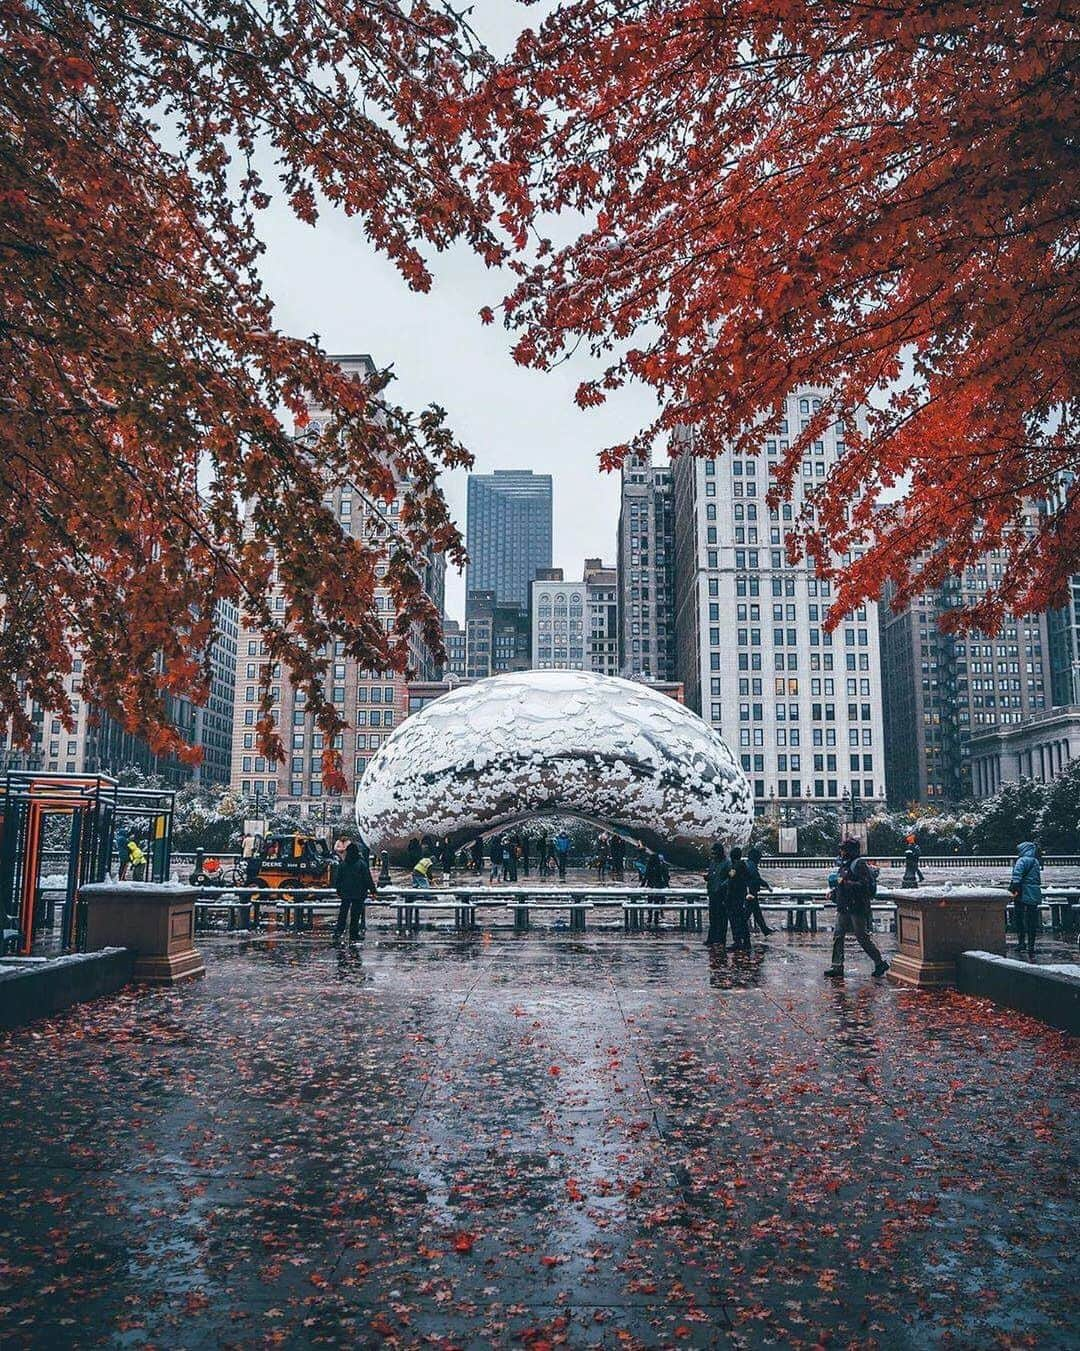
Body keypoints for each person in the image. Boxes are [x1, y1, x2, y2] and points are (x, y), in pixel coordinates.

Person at [824, 838, 888, 978]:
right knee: (838, 936)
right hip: (844, 907)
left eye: (843, 849)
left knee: (862, 937)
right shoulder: (845, 864)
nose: (840, 852)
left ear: (850, 851)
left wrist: (848, 884)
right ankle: (837, 966)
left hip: (856, 907)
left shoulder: (859, 864)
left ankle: (879, 962)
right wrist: (834, 893)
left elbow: (863, 886)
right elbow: (841, 884)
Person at [334, 841, 377, 943]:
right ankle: (354, 934)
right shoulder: (361, 863)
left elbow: (338, 879)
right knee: (355, 914)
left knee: (343, 913)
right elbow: (367, 878)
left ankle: (338, 931)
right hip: (359, 892)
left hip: (345, 893)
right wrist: (373, 890)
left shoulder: (343, 864)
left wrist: (339, 890)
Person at [1009, 840, 1042, 959]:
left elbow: (1016, 877)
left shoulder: (1022, 861)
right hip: (1034, 892)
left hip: (1022, 893)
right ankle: (1031, 945)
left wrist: (1014, 889)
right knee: (1031, 920)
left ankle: (1021, 942)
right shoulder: (1036, 861)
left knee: (1019, 918)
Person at [724, 847, 753, 952]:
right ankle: (746, 941)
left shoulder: (736, 867)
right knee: (742, 920)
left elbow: (730, 878)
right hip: (740, 897)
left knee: (735, 920)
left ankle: (738, 942)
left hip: (734, 897)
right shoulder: (743, 866)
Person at [745, 844, 775, 935]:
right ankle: (741, 930)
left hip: (750, 892)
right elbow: (757, 879)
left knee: (756, 912)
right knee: (749, 913)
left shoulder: (748, 864)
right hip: (751, 893)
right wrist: (767, 885)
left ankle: (765, 929)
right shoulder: (752, 866)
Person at [704, 843, 730, 946]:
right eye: (712, 853)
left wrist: (723, 885)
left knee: (722, 918)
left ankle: (721, 939)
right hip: (712, 893)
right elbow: (712, 875)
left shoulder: (727, 863)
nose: (713, 855)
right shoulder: (713, 863)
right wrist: (708, 878)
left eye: (715, 853)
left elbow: (731, 876)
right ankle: (711, 938)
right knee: (712, 917)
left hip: (722, 894)